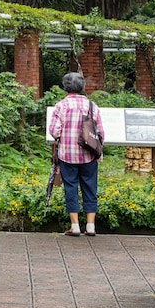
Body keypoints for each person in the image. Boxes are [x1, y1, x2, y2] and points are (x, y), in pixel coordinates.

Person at [48, 72, 105, 236]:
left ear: (66, 87)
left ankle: (75, 226)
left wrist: (64, 136)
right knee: (90, 187)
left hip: (67, 155)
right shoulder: (92, 106)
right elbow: (100, 132)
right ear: (82, 87)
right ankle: (91, 226)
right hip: (88, 155)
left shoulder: (61, 106)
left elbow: (54, 130)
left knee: (71, 188)